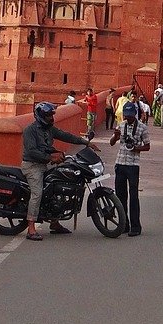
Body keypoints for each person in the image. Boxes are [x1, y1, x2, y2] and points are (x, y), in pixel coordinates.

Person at [21, 101, 99, 241]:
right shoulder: (30, 130)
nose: (51, 118)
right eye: (48, 115)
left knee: (58, 187)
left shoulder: (50, 129)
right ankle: (31, 228)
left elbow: (66, 136)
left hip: (46, 165)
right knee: (37, 193)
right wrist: (51, 157)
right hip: (32, 166)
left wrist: (86, 142)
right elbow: (32, 151)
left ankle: (54, 222)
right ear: (40, 116)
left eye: (52, 115)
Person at [110, 100, 151, 236]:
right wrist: (116, 136)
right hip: (120, 163)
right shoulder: (121, 125)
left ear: (135, 114)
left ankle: (135, 226)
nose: (127, 117)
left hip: (133, 165)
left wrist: (136, 148)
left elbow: (147, 146)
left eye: (130, 115)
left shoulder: (142, 127)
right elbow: (111, 143)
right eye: (126, 115)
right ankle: (124, 224)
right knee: (120, 196)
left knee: (133, 196)